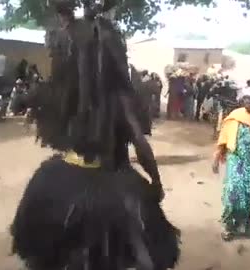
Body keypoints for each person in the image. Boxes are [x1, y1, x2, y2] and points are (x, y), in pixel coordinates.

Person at [10, 3, 179, 270]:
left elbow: (27, 104)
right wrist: (155, 181)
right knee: (144, 252)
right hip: (112, 179)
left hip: (61, 177)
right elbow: (140, 144)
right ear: (116, 56)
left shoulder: (64, 92)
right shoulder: (120, 98)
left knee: (43, 254)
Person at [212, 90, 250, 241]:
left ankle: (242, 224)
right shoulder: (234, 117)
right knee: (232, 193)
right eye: (247, 99)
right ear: (242, 100)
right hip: (234, 160)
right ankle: (227, 226)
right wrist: (216, 160)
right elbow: (223, 140)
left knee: (247, 195)